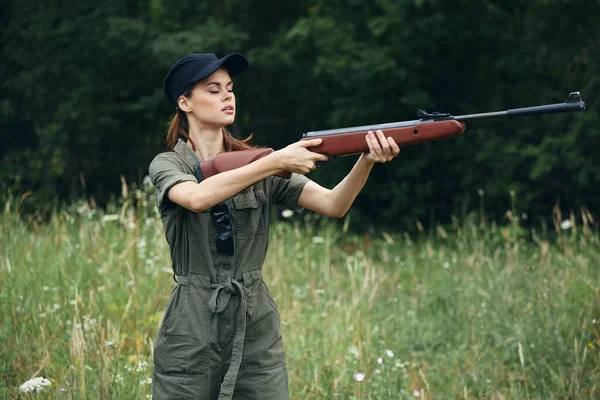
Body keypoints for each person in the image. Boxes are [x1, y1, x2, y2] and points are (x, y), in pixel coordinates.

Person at [149, 52, 400, 400]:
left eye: (230, 88)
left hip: (255, 321)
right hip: (191, 322)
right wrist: (275, 160)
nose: (227, 96)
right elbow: (196, 198)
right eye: (213, 89)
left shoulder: (263, 164)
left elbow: (334, 204)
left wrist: (366, 161)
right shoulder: (167, 163)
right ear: (184, 102)